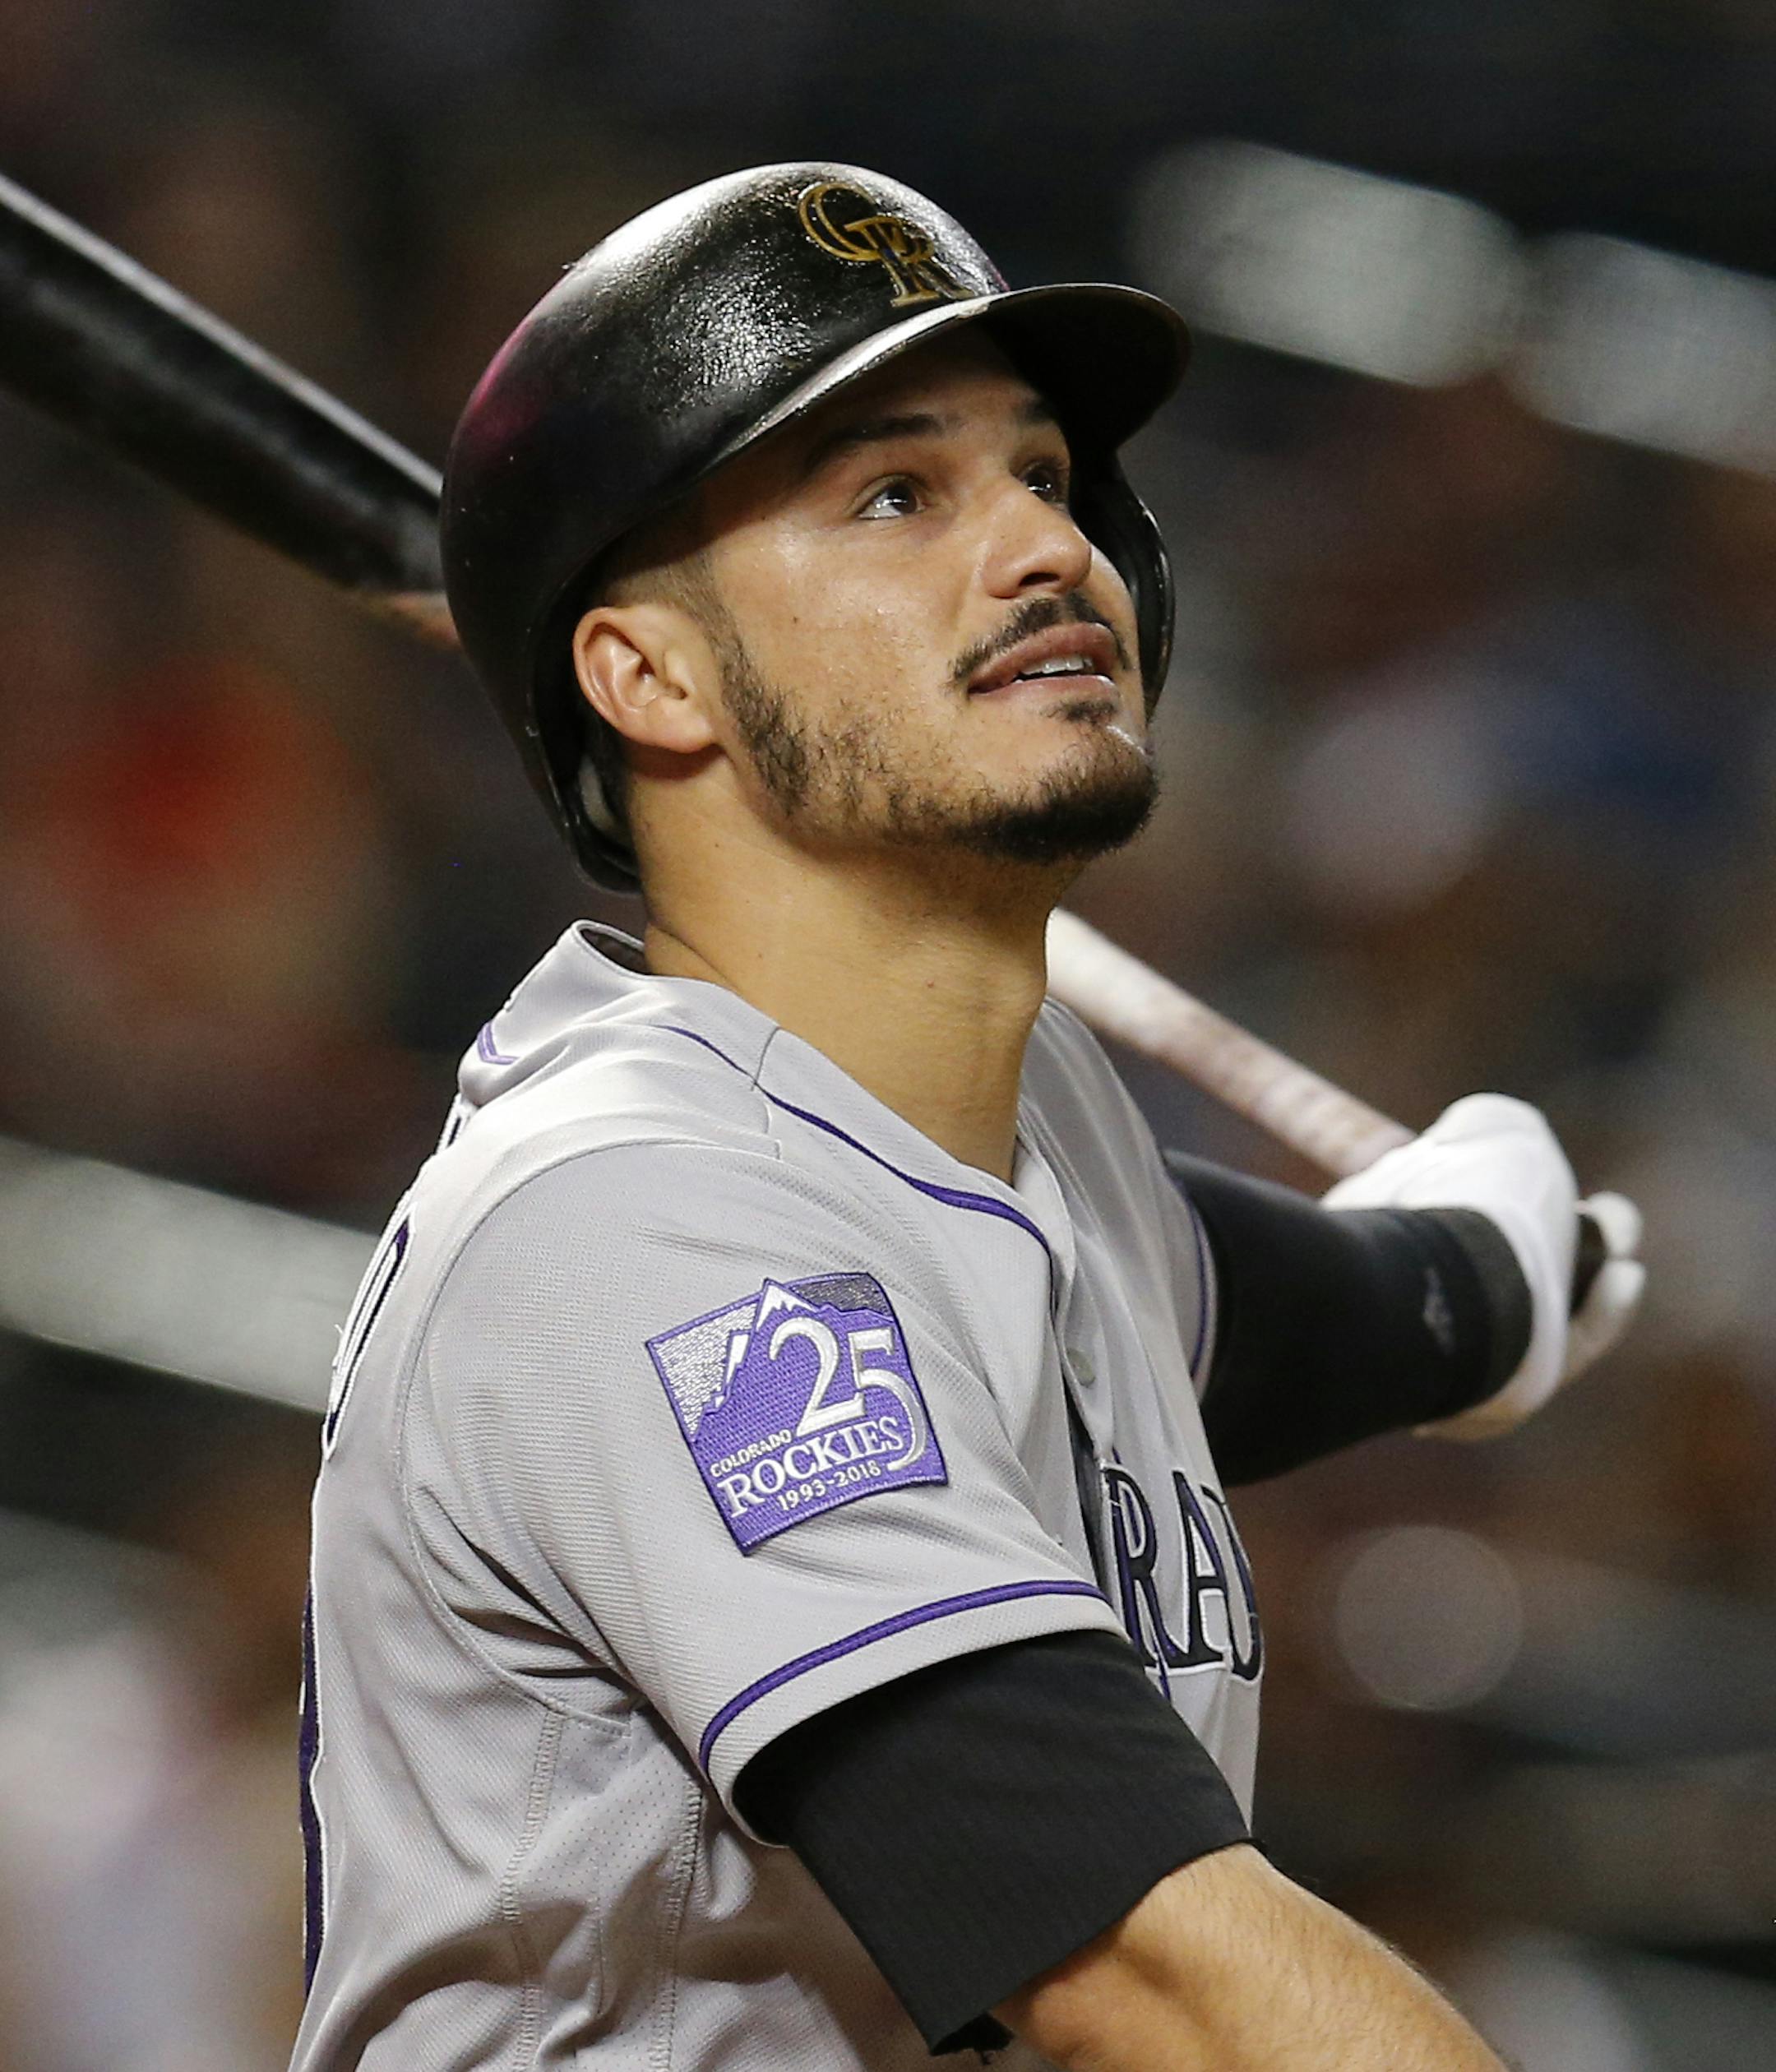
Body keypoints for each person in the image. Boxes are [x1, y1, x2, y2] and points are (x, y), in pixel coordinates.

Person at [291, 163, 1644, 2070]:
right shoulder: (632, 1217)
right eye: (897, 495)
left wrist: (1484, 1280)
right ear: (649, 675)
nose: (1038, 548)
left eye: (1043, 477)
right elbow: (1146, 1975)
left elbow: (1272, 1307)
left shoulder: (1040, 1140)